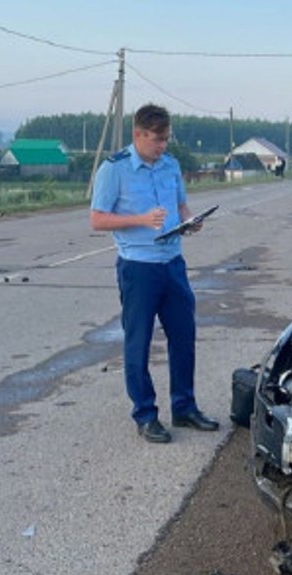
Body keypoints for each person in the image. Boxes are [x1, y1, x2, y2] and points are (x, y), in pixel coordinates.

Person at [90, 104, 219, 443]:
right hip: (138, 267)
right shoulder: (114, 169)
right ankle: (145, 414)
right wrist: (141, 220)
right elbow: (97, 219)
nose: (162, 146)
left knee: (184, 337)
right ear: (138, 134)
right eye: (157, 140)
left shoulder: (171, 166)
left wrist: (192, 222)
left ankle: (185, 407)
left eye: (166, 139)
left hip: (173, 263)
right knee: (139, 342)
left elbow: (180, 206)